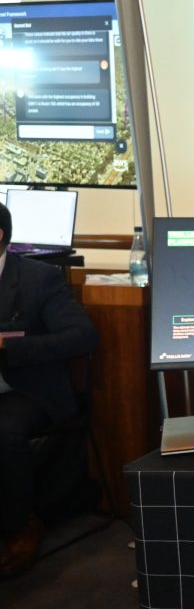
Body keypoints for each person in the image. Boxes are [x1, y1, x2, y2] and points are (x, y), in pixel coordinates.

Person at [0, 200, 99, 578]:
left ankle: (21, 524)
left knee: (5, 431)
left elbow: (83, 336)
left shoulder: (39, 279)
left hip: (25, 388)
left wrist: (8, 347)